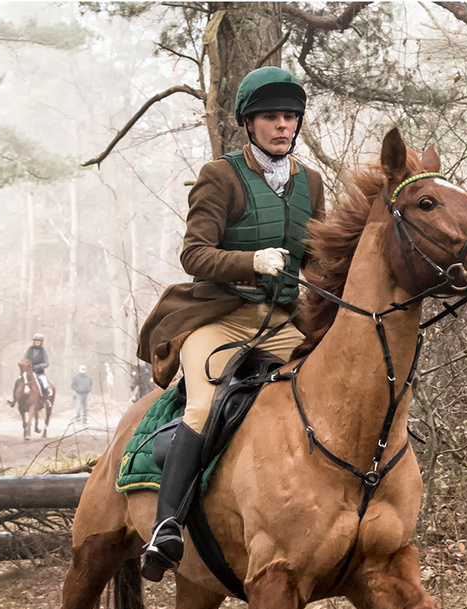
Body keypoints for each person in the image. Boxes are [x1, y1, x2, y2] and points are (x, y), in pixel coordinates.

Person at [135, 67, 326, 581]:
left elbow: (317, 258)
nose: (282, 126)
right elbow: (193, 254)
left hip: (283, 322)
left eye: (290, 116)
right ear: (249, 123)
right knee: (204, 402)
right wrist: (250, 261)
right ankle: (166, 527)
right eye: (270, 117)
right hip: (221, 319)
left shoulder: (311, 182)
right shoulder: (220, 176)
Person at [11, 333, 52, 406]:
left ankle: (45, 400)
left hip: (39, 373)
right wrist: (24, 365)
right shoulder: (30, 349)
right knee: (18, 381)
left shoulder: (43, 351)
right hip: (28, 372)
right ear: (34, 341)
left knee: (44, 384)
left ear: (41, 342)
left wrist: (38, 366)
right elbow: (25, 358)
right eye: (36, 340)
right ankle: (14, 399)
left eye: (39, 341)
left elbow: (46, 363)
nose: (37, 342)